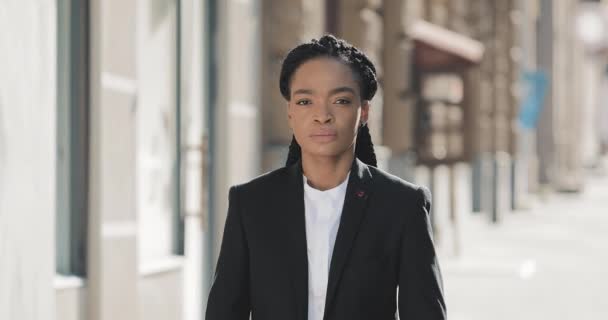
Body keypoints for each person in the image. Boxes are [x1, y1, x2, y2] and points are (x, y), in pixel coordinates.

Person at [205, 34, 446, 320]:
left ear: (364, 111)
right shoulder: (251, 203)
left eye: (341, 100)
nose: (322, 115)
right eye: (305, 101)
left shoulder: (402, 205)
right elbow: (225, 311)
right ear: (290, 112)